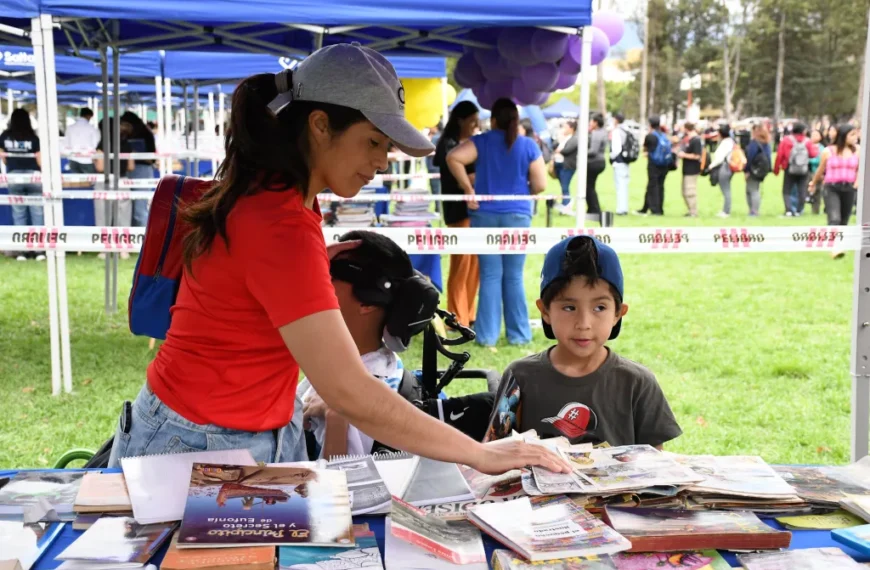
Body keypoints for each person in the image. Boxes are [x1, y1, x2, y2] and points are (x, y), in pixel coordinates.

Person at [106, 43, 568, 476]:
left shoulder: (283, 198)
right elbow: (348, 390)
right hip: (200, 443)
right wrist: (479, 453)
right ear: (320, 124)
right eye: (373, 142)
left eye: (387, 147)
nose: (384, 160)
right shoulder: (277, 220)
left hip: (236, 429)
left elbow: (250, 284)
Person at [491, 236, 682, 447]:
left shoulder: (638, 383)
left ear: (618, 313)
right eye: (569, 308)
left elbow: (656, 462)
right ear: (545, 311)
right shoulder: (520, 376)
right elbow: (496, 452)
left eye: (599, 308)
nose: (584, 324)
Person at [298, 231, 410, 459]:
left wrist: (337, 417)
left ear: (367, 301)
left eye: (328, 278)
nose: (315, 286)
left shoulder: (370, 387)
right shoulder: (344, 363)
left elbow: (344, 483)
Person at [447, 98, 547, 347]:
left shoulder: (481, 141)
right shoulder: (528, 145)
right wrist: (528, 189)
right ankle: (519, 335)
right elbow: (541, 184)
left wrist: (468, 188)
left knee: (490, 275)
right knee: (514, 276)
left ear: (492, 120)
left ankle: (487, 336)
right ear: (515, 119)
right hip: (518, 214)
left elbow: (454, 157)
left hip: (485, 214)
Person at [434, 101, 480, 328]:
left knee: (473, 265)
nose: (475, 126)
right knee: (461, 264)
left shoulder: (460, 144)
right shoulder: (448, 146)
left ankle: (468, 314)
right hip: (457, 209)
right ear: (461, 120)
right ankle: (455, 316)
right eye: (472, 121)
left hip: (470, 211)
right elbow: (462, 179)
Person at [809, 124, 860, 259]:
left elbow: (861, 168)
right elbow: (820, 169)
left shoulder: (857, 151)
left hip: (849, 187)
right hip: (832, 187)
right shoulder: (828, 151)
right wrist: (813, 183)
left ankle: (840, 244)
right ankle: (834, 248)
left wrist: (857, 182)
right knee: (834, 217)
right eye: (852, 135)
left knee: (844, 219)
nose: (856, 137)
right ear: (843, 136)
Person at [0, 108, 44, 261]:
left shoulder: (4, 136)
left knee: (18, 213)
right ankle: (39, 251)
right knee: (37, 213)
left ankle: (21, 251)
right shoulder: (33, 137)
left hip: (14, 175)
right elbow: (40, 160)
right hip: (33, 176)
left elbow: (3, 158)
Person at [95, 117, 135, 259]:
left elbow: (100, 166)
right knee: (123, 216)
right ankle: (124, 249)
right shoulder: (126, 144)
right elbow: (131, 166)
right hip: (123, 180)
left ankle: (104, 249)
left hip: (105, 181)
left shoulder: (102, 144)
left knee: (103, 216)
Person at [120, 111, 158, 227]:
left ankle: (143, 236)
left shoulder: (146, 134)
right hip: (127, 171)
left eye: (125, 125)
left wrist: (136, 154)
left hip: (142, 172)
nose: (123, 127)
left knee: (139, 209)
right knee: (126, 209)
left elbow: (152, 160)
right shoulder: (123, 135)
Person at [774, 122, 817, 217]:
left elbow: (780, 155)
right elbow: (813, 154)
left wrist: (776, 169)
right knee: (802, 189)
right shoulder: (807, 141)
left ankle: (789, 210)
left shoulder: (786, 140)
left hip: (789, 167)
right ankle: (799, 210)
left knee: (786, 190)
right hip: (803, 168)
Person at [638, 117, 667, 216]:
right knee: (660, 186)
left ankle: (655, 209)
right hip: (665, 165)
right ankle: (649, 208)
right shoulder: (663, 135)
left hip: (654, 164)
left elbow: (645, 149)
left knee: (653, 186)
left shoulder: (650, 136)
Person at [743, 124, 772, 217]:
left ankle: (754, 211)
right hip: (762, 169)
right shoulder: (766, 143)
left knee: (752, 190)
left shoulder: (754, 144)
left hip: (753, 169)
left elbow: (750, 158)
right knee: (754, 189)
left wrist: (746, 170)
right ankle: (753, 210)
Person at [708, 124, 735, 218]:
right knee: (726, 189)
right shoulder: (729, 141)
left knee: (726, 190)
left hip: (724, 166)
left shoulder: (726, 143)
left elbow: (720, 157)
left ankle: (726, 211)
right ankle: (725, 210)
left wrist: (711, 166)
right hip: (726, 166)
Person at [677, 122, 703, 218]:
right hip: (686, 168)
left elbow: (697, 155)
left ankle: (693, 212)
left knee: (690, 191)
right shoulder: (688, 139)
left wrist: (684, 155)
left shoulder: (696, 140)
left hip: (692, 169)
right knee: (684, 191)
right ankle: (689, 210)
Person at [65, 107, 100, 174]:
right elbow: (96, 143)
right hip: (87, 160)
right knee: (90, 181)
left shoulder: (70, 128)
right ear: (89, 116)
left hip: (73, 159)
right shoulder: (92, 128)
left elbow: (66, 143)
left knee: (76, 182)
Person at [553, 121, 578, 215]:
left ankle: (565, 206)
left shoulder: (574, 139)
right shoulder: (562, 139)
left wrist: (559, 150)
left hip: (568, 166)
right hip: (559, 164)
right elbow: (554, 146)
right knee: (563, 186)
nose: (563, 129)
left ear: (571, 128)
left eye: (565, 127)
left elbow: (566, 151)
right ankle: (566, 204)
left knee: (565, 186)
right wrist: (559, 140)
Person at [585, 113, 608, 215]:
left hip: (594, 162)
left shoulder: (596, 134)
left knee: (589, 186)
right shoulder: (603, 132)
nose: (590, 123)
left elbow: (593, 151)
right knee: (590, 186)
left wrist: (582, 153)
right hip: (600, 161)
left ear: (596, 123)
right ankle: (592, 208)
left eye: (591, 121)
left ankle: (594, 209)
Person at [609, 112, 631, 216]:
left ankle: (621, 209)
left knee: (620, 185)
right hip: (626, 160)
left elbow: (616, 148)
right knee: (624, 184)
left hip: (619, 160)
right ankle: (624, 207)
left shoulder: (617, 131)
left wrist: (612, 157)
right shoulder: (626, 130)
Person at [807, 129, 825, 215]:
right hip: (807, 172)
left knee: (817, 191)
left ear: (820, 137)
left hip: (817, 172)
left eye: (816, 135)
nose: (813, 137)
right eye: (812, 135)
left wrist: (807, 160)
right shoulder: (807, 145)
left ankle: (816, 210)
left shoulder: (821, 148)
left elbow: (820, 161)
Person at [426, 123, 442, 214]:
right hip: (434, 167)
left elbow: (430, 151)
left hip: (433, 167)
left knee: (435, 189)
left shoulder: (436, 137)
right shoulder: (438, 136)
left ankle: (437, 209)